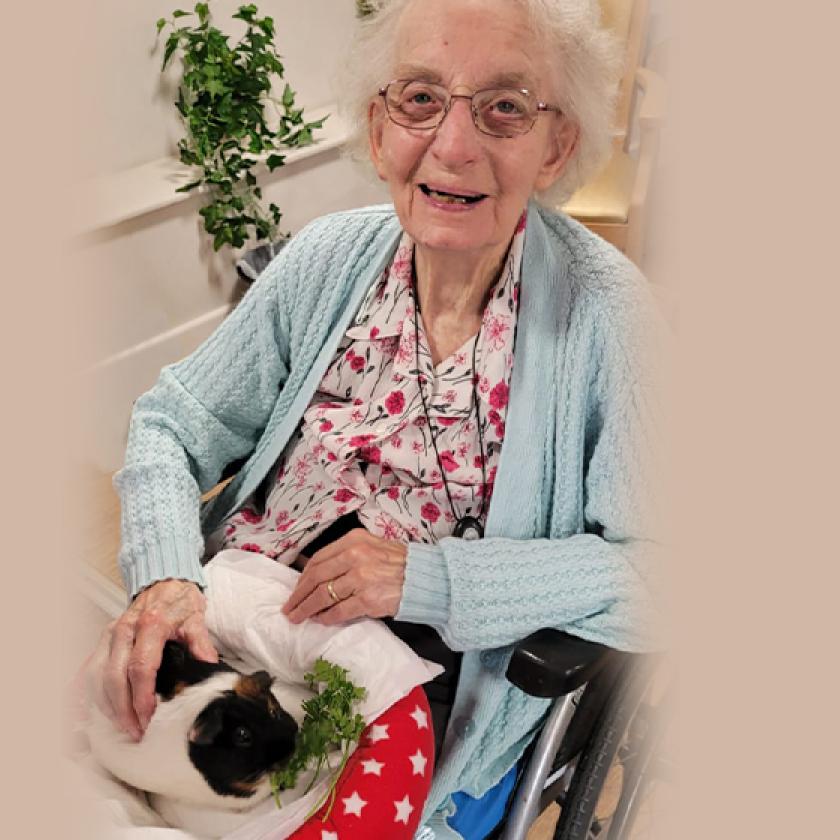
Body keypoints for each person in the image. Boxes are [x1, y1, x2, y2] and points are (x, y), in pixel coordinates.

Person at [89, 1, 666, 837]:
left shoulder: (611, 321)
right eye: (420, 98)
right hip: (240, 630)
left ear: (558, 146)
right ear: (376, 126)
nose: (454, 146)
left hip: (423, 688)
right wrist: (165, 575)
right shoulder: (326, 259)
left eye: (505, 106)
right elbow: (172, 422)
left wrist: (433, 579)